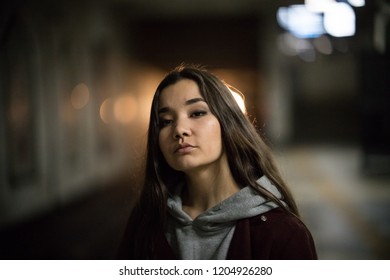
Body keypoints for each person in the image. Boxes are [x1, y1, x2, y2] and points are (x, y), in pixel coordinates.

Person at [117, 65, 317, 260]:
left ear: (228, 122)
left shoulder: (282, 233)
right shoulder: (147, 219)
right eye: (166, 121)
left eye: (197, 113)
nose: (179, 129)